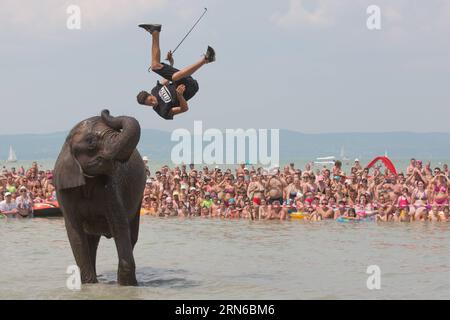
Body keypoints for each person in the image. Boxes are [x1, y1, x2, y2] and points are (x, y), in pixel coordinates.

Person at [137, 24, 216, 119]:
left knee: (155, 66)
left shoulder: (155, 90)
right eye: (149, 104)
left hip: (179, 79)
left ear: (150, 94)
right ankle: (206, 59)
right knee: (174, 77)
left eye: (151, 100)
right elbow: (184, 109)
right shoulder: (162, 111)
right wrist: (179, 95)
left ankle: (155, 31)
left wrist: (171, 63)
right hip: (190, 88)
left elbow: (167, 79)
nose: (153, 102)